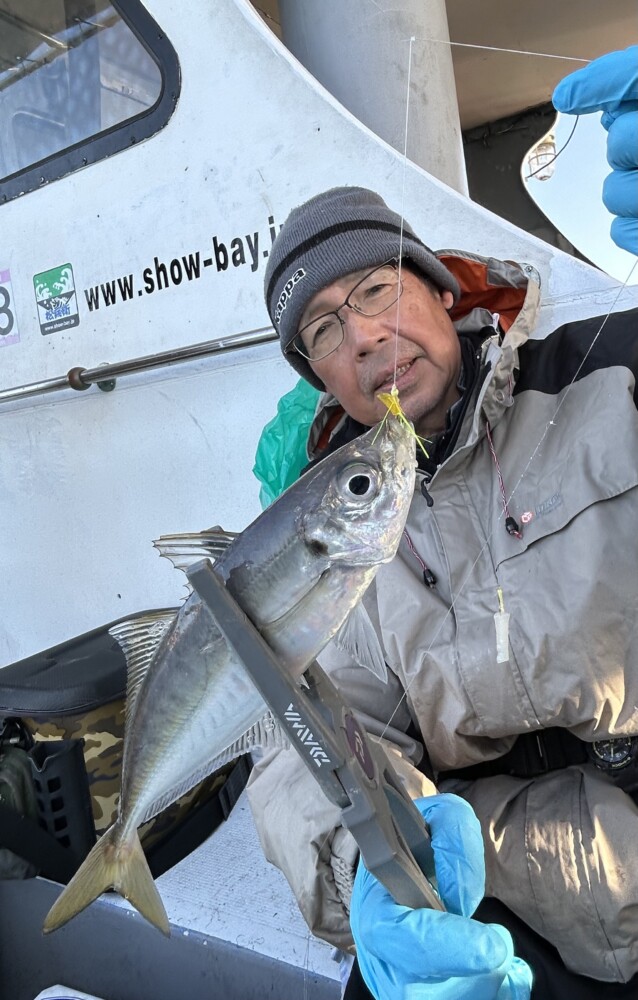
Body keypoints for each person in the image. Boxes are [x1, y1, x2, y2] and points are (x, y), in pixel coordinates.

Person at [246, 46, 638, 1000]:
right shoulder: (326, 517)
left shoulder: (611, 372)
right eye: (324, 332)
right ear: (321, 379)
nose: (364, 335)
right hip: (497, 908)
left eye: (374, 291)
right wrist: (365, 879)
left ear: (436, 284)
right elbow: (303, 731)